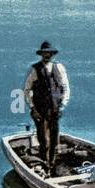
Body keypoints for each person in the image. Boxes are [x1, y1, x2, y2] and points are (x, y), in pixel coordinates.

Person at [22, 41, 70, 171]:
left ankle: (52, 164)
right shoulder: (34, 69)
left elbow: (65, 87)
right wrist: (32, 108)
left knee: (54, 138)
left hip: (55, 109)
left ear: (52, 54)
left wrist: (62, 105)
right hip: (40, 110)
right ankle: (43, 164)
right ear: (41, 54)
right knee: (44, 140)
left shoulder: (59, 67)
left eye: (49, 53)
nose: (47, 55)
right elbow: (26, 90)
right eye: (44, 53)